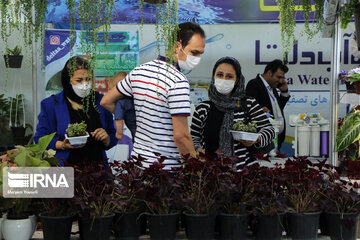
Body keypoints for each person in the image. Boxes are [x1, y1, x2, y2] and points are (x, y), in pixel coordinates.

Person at [101, 22, 206, 169]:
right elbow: (181, 136)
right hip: (165, 169)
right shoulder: (178, 80)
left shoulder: (139, 71)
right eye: (194, 52)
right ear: (177, 46)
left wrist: (135, 119)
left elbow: (106, 101)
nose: (197, 58)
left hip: (138, 164)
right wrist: (194, 167)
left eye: (200, 53)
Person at [190, 57, 275, 168]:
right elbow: (193, 138)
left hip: (244, 174)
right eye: (220, 75)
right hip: (211, 175)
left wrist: (256, 139)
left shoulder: (248, 104)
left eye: (229, 76)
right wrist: (197, 149)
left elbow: (269, 130)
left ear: (237, 80)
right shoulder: (203, 109)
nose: (224, 79)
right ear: (213, 77)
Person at [34, 56, 117, 165]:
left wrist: (107, 139)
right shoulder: (51, 104)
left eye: (88, 79)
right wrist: (62, 145)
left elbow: (113, 134)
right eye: (79, 80)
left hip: (98, 170)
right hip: (66, 170)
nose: (85, 84)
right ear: (68, 80)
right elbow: (40, 139)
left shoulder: (101, 101)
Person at [245, 59, 290, 150]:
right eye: (279, 77)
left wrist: (284, 92)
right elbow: (249, 109)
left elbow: (278, 109)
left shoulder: (272, 87)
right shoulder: (254, 84)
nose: (281, 81)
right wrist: (261, 109)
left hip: (275, 139)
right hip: (263, 141)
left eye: (282, 78)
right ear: (270, 73)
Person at [108, 71, 136, 141]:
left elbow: (119, 120)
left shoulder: (120, 103)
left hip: (134, 128)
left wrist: (119, 133)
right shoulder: (134, 98)